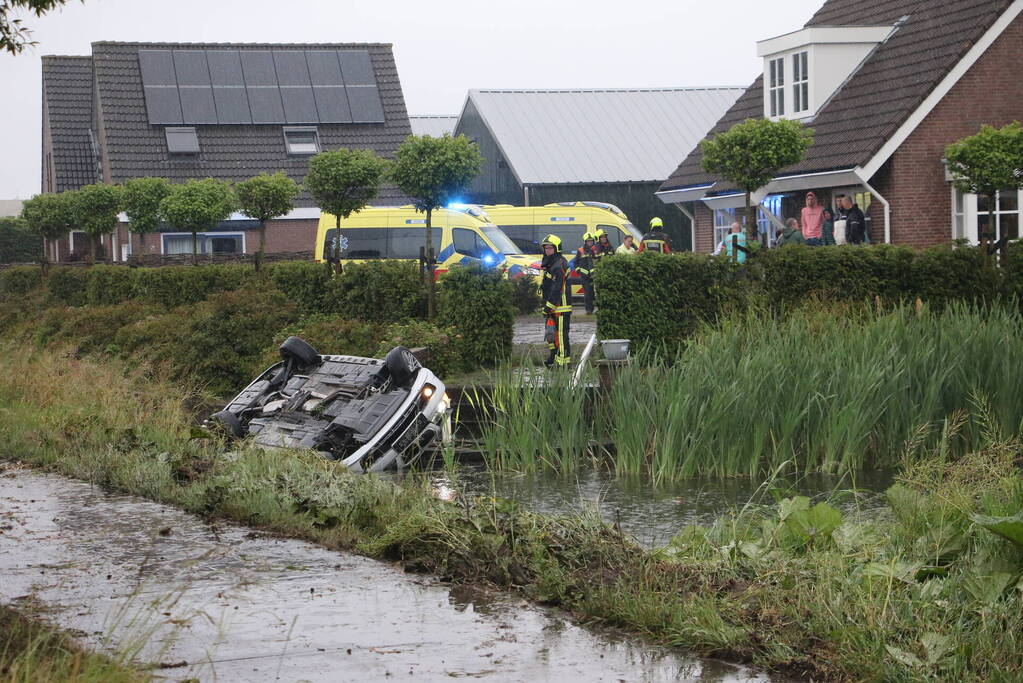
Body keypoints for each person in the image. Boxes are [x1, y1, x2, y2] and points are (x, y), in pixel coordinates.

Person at [540, 234, 571, 368]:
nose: (547, 251)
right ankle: (553, 356)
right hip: (552, 306)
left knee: (561, 336)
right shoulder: (551, 263)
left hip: (560, 307)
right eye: (546, 248)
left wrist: (549, 306)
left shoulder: (559, 265)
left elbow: (557, 288)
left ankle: (563, 363)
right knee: (551, 334)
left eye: (550, 248)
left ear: (557, 249)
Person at [572, 231, 598, 315]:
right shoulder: (580, 250)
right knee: (588, 293)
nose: (590, 242)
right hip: (585, 276)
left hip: (595, 275)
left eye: (591, 241)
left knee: (594, 293)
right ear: (585, 242)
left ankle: (596, 308)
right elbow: (575, 262)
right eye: (588, 241)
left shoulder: (596, 250)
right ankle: (589, 310)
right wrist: (579, 270)